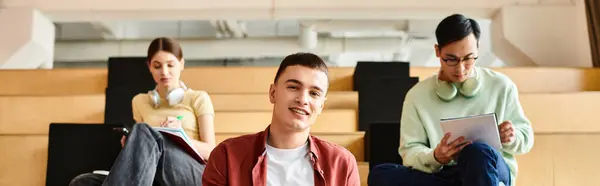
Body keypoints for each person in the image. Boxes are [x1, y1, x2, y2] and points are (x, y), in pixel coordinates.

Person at [367, 14, 534, 186]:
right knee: (380, 174)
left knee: (477, 152)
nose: (460, 68)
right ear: (437, 51)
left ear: (477, 49)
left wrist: (512, 137)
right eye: (451, 60)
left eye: (468, 58)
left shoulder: (501, 86)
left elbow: (526, 138)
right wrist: (436, 156)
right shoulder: (416, 95)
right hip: (443, 174)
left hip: (488, 169)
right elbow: (410, 152)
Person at [69, 37, 216, 186]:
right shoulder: (139, 101)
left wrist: (182, 136)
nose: (164, 72)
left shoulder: (198, 98)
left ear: (181, 64)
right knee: (83, 182)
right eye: (157, 66)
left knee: (143, 130)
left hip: (192, 172)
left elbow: (212, 152)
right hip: (155, 175)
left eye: (170, 65)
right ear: (149, 67)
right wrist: (132, 143)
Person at [201, 52, 361, 186]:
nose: (303, 99)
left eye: (314, 93)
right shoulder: (227, 155)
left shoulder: (342, 163)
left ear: (321, 106)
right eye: (293, 87)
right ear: (273, 93)